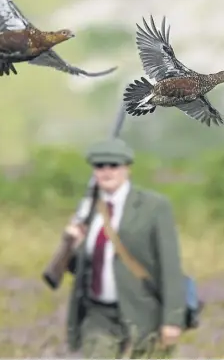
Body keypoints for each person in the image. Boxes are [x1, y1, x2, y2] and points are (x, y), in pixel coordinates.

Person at [63, 138, 186, 358]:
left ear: (127, 168)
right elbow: (77, 269)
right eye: (100, 166)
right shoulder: (87, 210)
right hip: (98, 315)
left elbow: (171, 266)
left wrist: (172, 320)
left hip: (144, 313)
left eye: (114, 165)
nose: (107, 171)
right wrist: (72, 245)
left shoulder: (154, 207)